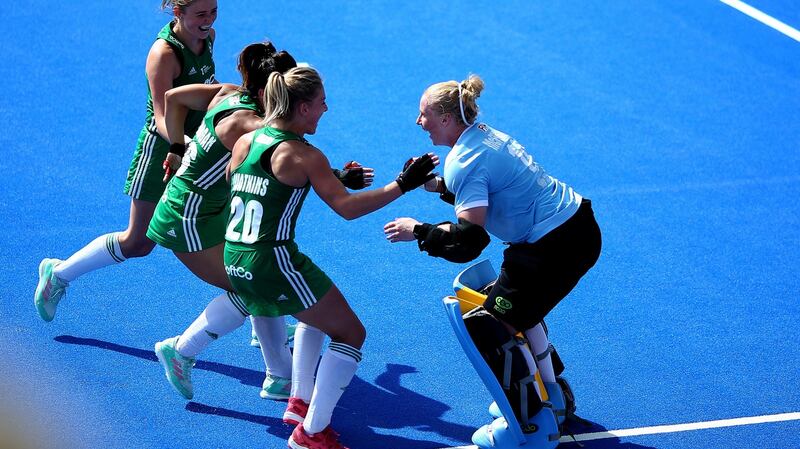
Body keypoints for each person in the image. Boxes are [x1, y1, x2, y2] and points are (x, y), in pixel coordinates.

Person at [224, 66, 437, 449]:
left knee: (316, 312)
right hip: (273, 261)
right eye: (321, 103)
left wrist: (332, 175)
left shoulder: (247, 141)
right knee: (351, 333)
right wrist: (402, 184)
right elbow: (347, 209)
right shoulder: (306, 154)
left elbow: (246, 182)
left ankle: (301, 401)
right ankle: (311, 433)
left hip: (235, 257)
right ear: (304, 108)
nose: (326, 109)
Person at [150, 43, 374, 401]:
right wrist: (335, 178)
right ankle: (183, 351)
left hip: (215, 211)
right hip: (189, 215)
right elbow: (279, 160)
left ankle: (278, 376)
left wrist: (178, 146)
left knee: (258, 278)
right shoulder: (251, 124)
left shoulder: (228, 93)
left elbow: (174, 99)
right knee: (252, 285)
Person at [383, 74, 601, 432]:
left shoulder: (463, 160)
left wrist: (418, 231)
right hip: (573, 229)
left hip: (553, 246)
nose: (418, 122)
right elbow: (488, 192)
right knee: (516, 308)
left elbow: (469, 242)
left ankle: (530, 420)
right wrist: (435, 185)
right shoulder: (483, 135)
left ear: (446, 119)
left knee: (488, 325)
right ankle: (555, 395)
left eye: (424, 115)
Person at [34, 0, 218, 322]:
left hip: (192, 148)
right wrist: (185, 145)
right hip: (162, 150)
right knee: (138, 242)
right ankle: (59, 274)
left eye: (213, 11)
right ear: (178, 13)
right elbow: (162, 116)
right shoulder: (163, 54)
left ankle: (263, 319)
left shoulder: (207, 37)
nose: (208, 20)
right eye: (201, 14)